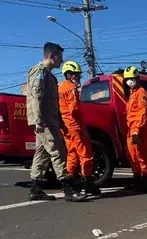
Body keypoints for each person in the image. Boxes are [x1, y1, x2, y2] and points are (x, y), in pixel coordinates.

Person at [26, 42, 86, 202]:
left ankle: (35, 189)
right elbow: (36, 97)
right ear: (51, 56)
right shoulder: (39, 73)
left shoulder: (49, 75)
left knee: (42, 154)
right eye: (60, 57)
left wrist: (60, 122)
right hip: (44, 121)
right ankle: (68, 189)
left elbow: (52, 103)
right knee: (58, 152)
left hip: (49, 120)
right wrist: (38, 120)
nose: (62, 60)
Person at [58, 60, 100, 196]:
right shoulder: (71, 89)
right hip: (75, 126)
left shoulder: (60, 88)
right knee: (86, 155)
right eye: (77, 75)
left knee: (72, 155)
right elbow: (74, 110)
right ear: (69, 75)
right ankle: (88, 183)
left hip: (65, 127)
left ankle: (69, 183)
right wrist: (82, 128)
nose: (79, 77)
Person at [123, 66, 147, 191]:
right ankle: (137, 179)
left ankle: (145, 180)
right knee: (132, 155)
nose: (130, 81)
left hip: (139, 129)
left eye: (132, 78)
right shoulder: (131, 94)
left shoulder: (141, 93)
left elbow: (141, 113)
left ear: (137, 79)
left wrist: (136, 131)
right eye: (128, 79)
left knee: (141, 155)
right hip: (132, 129)